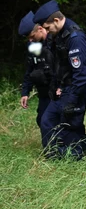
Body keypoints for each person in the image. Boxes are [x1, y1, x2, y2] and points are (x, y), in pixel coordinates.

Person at [33, 0, 86, 159]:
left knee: (71, 126)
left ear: (56, 21)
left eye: (47, 27)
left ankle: (80, 158)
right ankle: (53, 156)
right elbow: (58, 64)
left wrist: (72, 100)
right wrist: (55, 86)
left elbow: (81, 74)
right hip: (63, 88)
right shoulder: (57, 36)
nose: (46, 31)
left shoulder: (75, 38)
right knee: (47, 120)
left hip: (75, 90)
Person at [18, 11, 54, 146]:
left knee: (51, 119)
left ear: (40, 29)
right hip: (44, 91)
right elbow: (30, 68)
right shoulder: (34, 46)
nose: (30, 40)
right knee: (41, 119)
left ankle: (54, 150)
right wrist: (25, 92)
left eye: (32, 36)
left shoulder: (55, 41)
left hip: (58, 90)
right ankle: (50, 149)